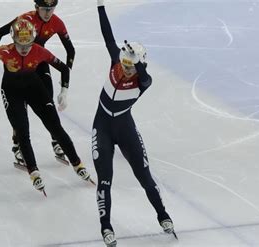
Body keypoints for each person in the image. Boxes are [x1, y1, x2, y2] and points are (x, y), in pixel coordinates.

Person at [92, 0, 176, 246]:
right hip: (103, 126)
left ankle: (163, 215)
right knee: (105, 179)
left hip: (125, 128)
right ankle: (106, 226)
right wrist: (100, 6)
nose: (126, 70)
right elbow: (107, 34)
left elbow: (145, 75)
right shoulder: (116, 62)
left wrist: (136, 62)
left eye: (131, 67)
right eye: (124, 65)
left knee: (145, 176)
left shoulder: (143, 81)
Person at [0, 18, 93, 195]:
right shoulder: (5, 51)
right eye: (20, 45)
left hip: (33, 87)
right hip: (12, 91)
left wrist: (64, 91)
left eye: (28, 44)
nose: (24, 49)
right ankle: (33, 170)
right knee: (23, 130)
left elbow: (63, 68)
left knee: (55, 126)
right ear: (14, 40)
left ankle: (77, 163)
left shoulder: (38, 50)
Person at [0, 0, 75, 167]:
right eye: (44, 9)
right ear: (36, 7)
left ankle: (56, 140)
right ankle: (18, 146)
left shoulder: (57, 22)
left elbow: (70, 50)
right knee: (20, 106)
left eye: (51, 9)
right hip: (17, 64)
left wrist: (66, 78)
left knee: (48, 103)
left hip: (39, 60)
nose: (48, 12)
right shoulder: (25, 20)